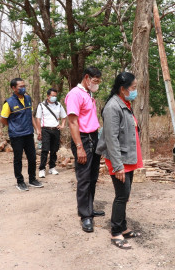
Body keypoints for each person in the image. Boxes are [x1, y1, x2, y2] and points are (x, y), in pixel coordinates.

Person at [96, 72, 143, 249]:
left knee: (126, 195)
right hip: (119, 160)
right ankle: (115, 232)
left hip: (127, 158)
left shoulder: (125, 103)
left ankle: (122, 228)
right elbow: (111, 139)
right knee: (121, 196)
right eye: (133, 88)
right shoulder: (112, 107)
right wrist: (118, 166)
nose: (135, 91)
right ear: (122, 89)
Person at [65, 66, 105, 233]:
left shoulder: (88, 94)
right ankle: (85, 215)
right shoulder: (75, 94)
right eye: (95, 81)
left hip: (93, 137)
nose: (96, 84)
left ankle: (89, 208)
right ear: (87, 77)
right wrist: (79, 147)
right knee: (84, 177)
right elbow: (73, 122)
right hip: (83, 139)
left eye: (98, 82)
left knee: (93, 176)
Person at [0, 78, 43, 191]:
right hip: (16, 135)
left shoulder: (28, 98)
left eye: (24, 85)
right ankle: (20, 182)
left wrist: (37, 129)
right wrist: (13, 127)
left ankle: (32, 179)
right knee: (18, 159)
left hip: (28, 133)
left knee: (32, 158)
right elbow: (3, 119)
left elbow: (31, 116)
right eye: (20, 86)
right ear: (14, 88)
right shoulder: (9, 102)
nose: (23, 88)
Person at [36, 88, 67, 178]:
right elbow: (38, 118)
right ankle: (42, 169)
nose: (54, 97)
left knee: (54, 150)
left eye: (55, 96)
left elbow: (64, 116)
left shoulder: (59, 105)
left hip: (56, 130)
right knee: (45, 150)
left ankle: (52, 167)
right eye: (52, 96)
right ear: (48, 96)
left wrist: (62, 125)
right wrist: (39, 130)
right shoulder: (41, 105)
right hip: (45, 129)